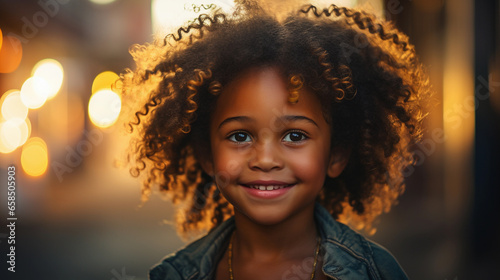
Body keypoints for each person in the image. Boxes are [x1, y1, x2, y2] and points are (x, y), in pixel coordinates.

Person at [120, 1, 430, 279]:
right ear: (207, 155)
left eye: (295, 135)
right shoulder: (172, 274)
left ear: (336, 155)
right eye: (239, 136)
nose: (266, 160)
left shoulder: (375, 271)